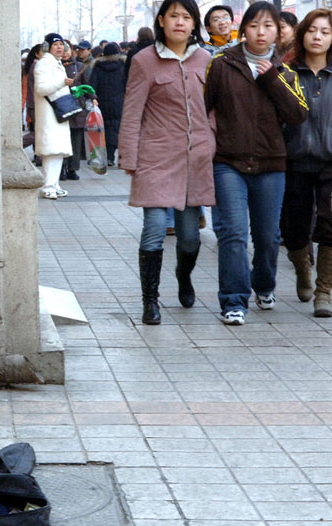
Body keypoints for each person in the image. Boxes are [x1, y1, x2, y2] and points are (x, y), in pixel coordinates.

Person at [205, 1, 309, 325]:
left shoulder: (285, 71)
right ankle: (234, 301)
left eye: (268, 26)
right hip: (228, 162)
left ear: (278, 32)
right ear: (243, 29)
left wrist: (272, 80)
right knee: (233, 234)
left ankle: (263, 284)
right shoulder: (221, 65)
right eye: (254, 25)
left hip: (270, 165)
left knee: (267, 236)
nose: (260, 32)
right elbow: (202, 107)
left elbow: (298, 114)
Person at [118, 0, 215, 325]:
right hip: (155, 158)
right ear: (161, 20)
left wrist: (211, 141)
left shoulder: (206, 59)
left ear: (193, 24)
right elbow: (132, 112)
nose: (179, 22)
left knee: (189, 236)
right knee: (155, 229)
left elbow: (214, 110)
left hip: (195, 160)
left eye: (186, 17)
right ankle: (151, 300)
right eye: (173, 16)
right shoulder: (145, 61)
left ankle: (184, 277)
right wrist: (129, 156)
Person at [281, 9, 332, 317]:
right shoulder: (286, 73)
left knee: (330, 223)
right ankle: (303, 269)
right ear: (302, 35)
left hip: (330, 162)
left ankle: (324, 291)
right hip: (294, 160)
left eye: (325, 32)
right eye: (312, 30)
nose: (318, 36)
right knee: (293, 229)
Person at [33, 32, 74, 199]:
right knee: (51, 150)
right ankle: (47, 186)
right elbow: (41, 89)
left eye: (61, 44)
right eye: (55, 44)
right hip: (50, 114)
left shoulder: (58, 64)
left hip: (58, 113)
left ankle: (54, 184)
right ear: (47, 47)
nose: (60, 47)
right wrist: (62, 83)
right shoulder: (44, 64)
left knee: (58, 151)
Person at [62, 40, 98, 181]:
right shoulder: (55, 67)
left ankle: (73, 168)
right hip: (61, 107)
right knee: (63, 139)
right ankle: (62, 168)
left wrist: (93, 97)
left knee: (76, 140)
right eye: (62, 48)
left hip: (77, 107)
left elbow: (86, 85)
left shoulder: (80, 66)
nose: (65, 52)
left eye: (67, 49)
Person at [89, 42, 126, 166]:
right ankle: (111, 156)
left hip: (102, 103)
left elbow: (92, 85)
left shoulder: (98, 66)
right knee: (115, 129)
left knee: (102, 130)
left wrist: (93, 98)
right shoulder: (123, 66)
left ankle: (101, 155)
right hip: (119, 103)